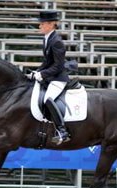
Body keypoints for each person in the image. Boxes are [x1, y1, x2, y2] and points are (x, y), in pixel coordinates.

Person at [31, 10, 71, 145]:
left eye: (41, 24)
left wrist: (42, 74)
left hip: (59, 78)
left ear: (51, 24)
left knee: (48, 99)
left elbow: (58, 66)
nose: (39, 26)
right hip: (51, 77)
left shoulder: (57, 41)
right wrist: (36, 72)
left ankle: (62, 131)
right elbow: (47, 62)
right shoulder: (47, 38)